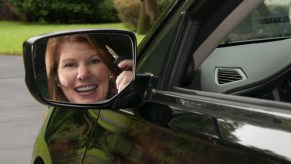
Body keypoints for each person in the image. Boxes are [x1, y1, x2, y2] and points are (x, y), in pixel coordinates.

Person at [45, 34, 133, 103]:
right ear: (56, 77)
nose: (83, 74)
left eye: (94, 61)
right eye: (70, 65)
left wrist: (135, 87)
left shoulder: (127, 97)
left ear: (109, 70)